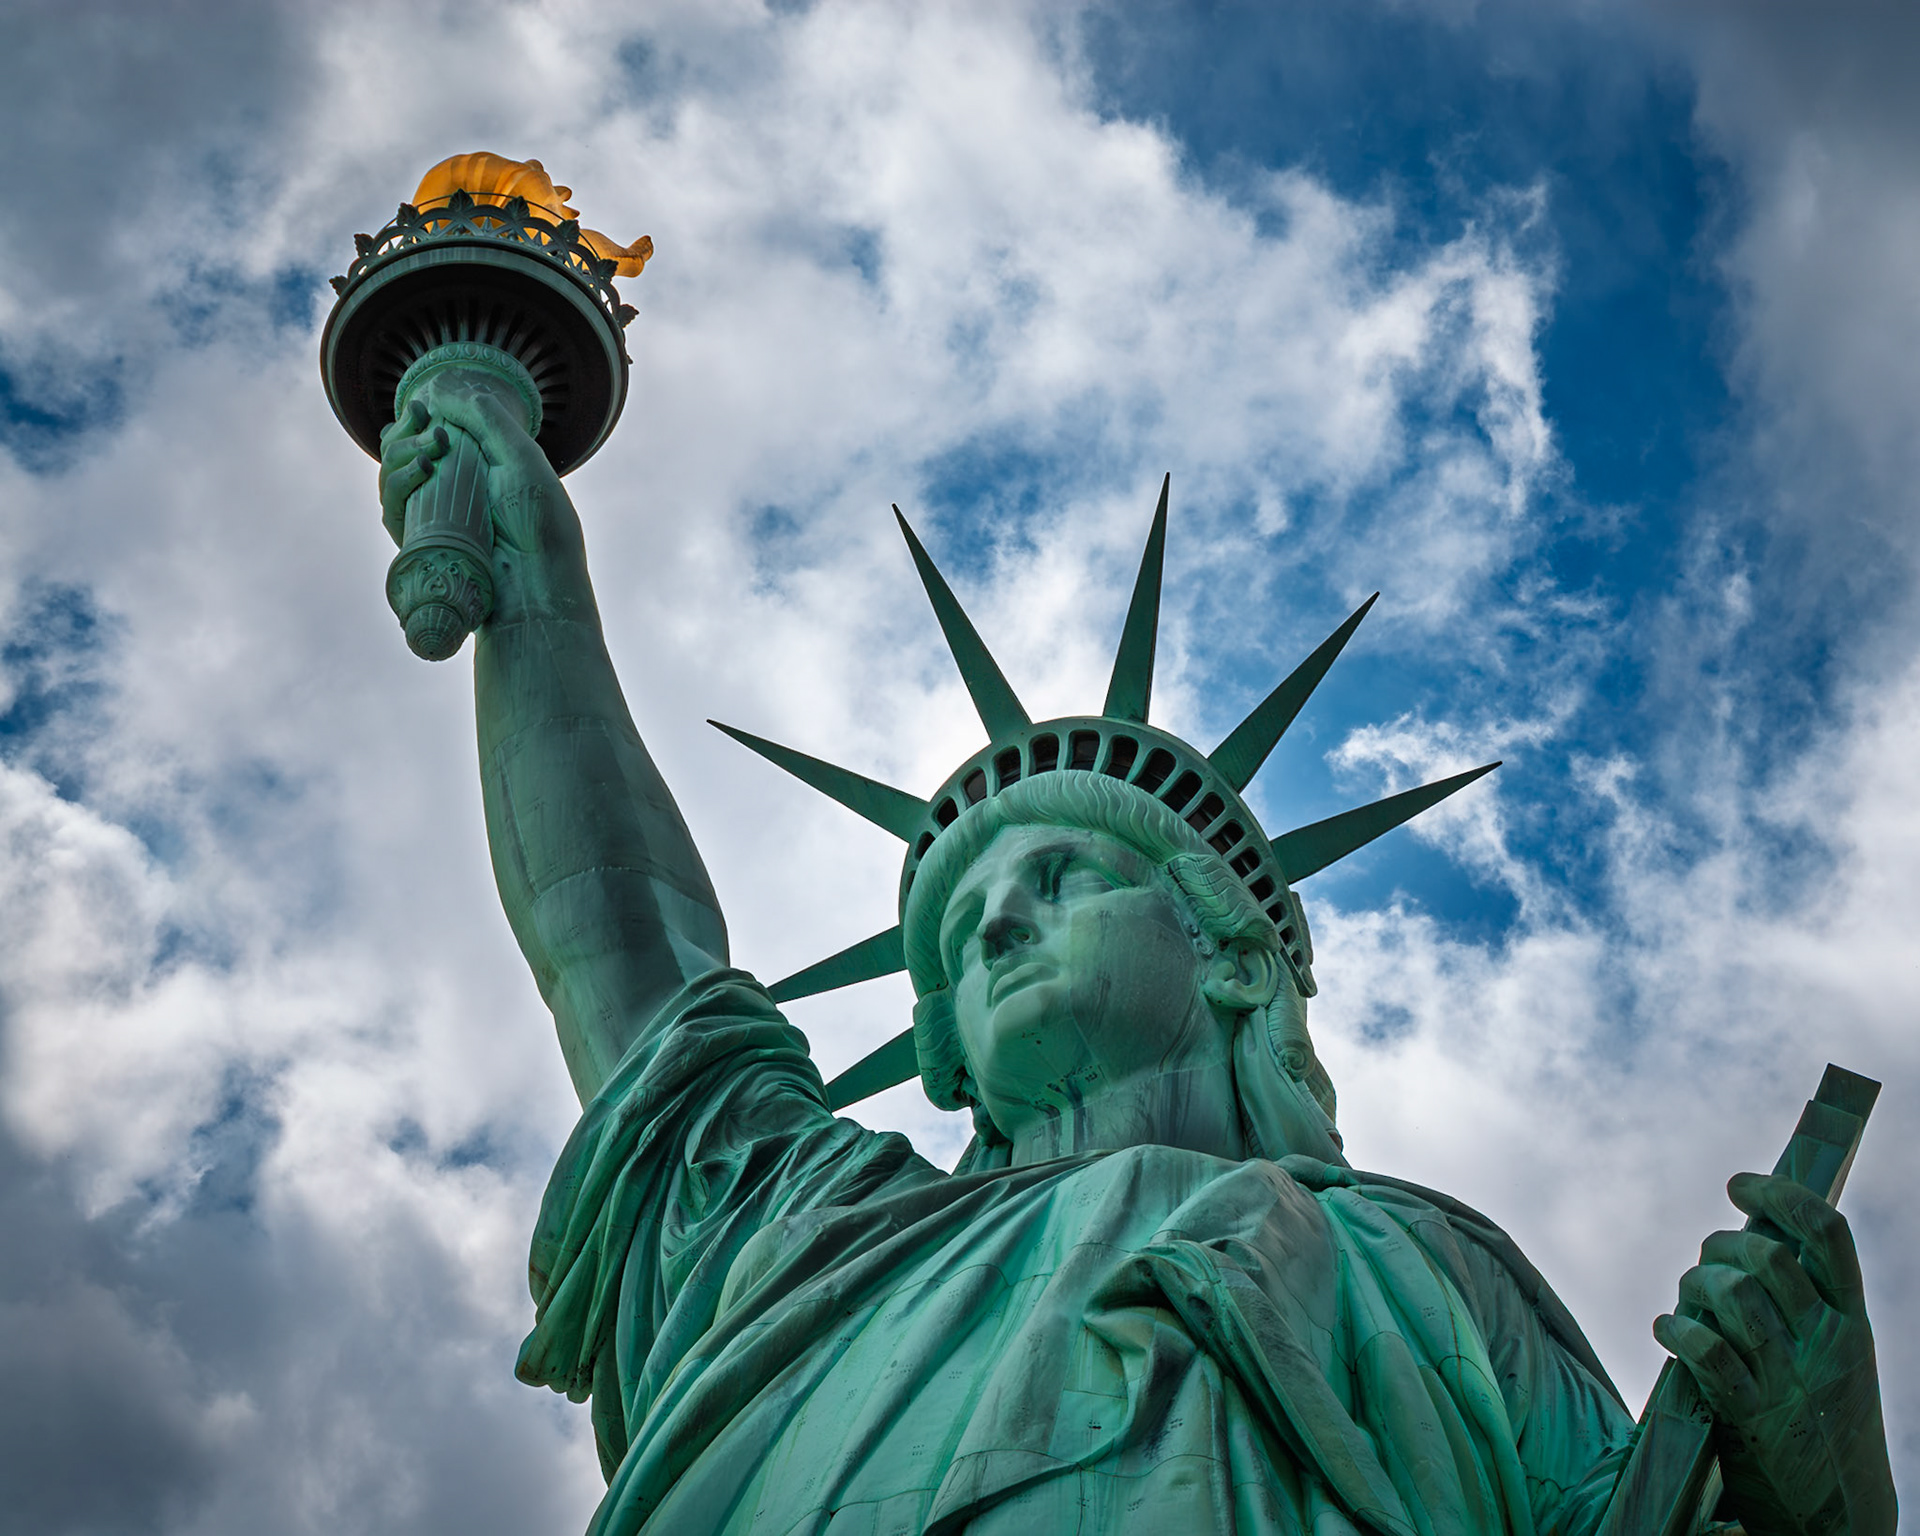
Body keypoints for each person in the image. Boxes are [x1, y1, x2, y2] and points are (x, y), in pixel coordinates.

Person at [377, 368, 1896, 1536]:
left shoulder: (1429, 1276)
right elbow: (620, 951)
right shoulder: (810, 1236)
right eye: (964, 930)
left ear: (1233, 960)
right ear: (951, 1051)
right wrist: (539, 590)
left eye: (1063, 875)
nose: (1001, 922)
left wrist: (1823, 1491)